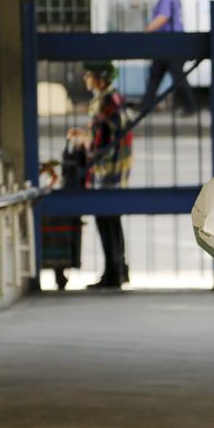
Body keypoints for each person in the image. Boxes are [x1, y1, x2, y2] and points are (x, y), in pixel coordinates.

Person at [68, 62, 134, 289]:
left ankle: (113, 274)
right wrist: (86, 134)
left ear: (99, 78)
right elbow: (103, 133)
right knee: (111, 221)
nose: (86, 78)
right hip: (111, 170)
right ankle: (116, 271)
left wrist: (88, 140)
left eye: (89, 75)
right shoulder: (110, 99)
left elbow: (108, 135)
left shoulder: (107, 101)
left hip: (108, 171)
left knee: (106, 220)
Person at [142, 0, 196, 116]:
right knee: (155, 74)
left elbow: (163, 17)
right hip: (166, 44)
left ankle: (190, 106)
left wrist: (147, 30)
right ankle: (145, 106)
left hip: (172, 44)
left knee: (177, 77)